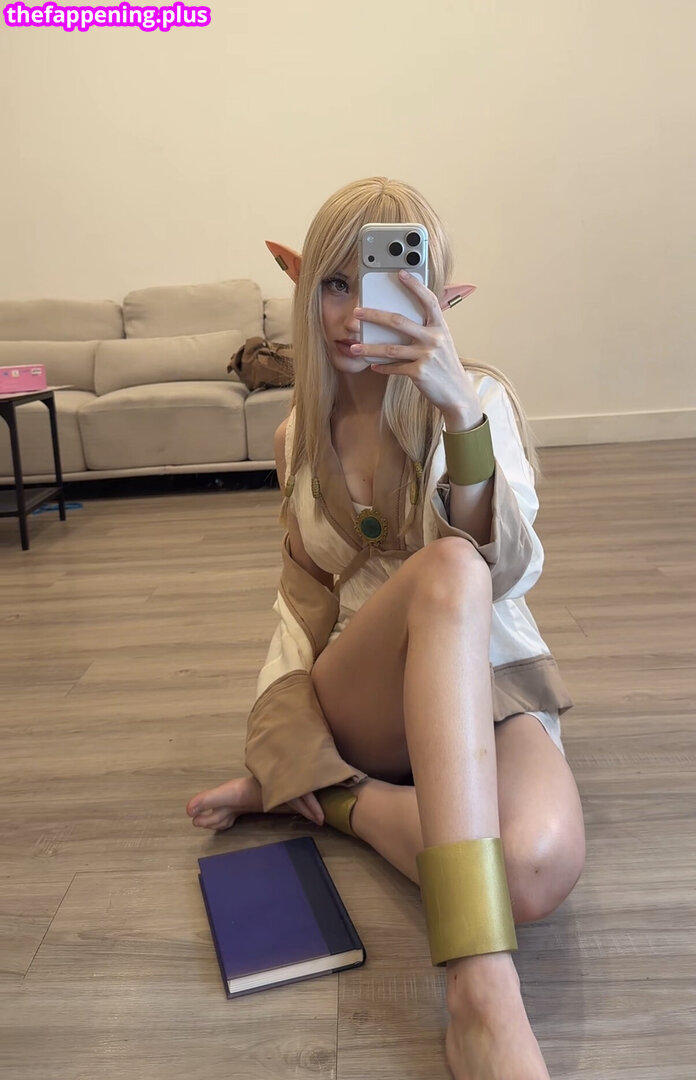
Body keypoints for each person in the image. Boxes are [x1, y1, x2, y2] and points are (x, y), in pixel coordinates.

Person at [187, 177, 585, 1080]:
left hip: (484, 671)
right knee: (447, 567)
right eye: (333, 283)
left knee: (535, 867)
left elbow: (507, 571)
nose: (350, 311)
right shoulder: (297, 435)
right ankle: (482, 998)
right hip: (367, 689)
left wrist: (458, 416)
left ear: (430, 292)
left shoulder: (478, 398)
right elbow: (302, 603)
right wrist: (278, 748)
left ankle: (346, 803)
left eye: (379, 280)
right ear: (304, 289)